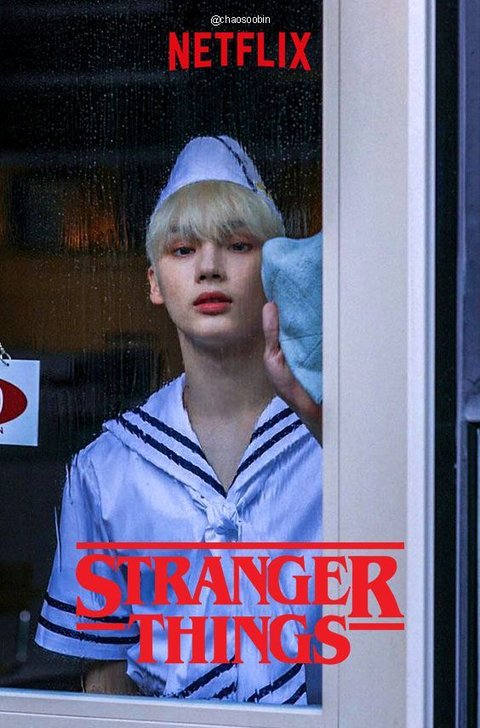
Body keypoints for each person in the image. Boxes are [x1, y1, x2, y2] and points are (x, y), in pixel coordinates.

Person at [35, 135, 323, 705]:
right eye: (183, 249)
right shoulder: (106, 468)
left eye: (238, 245)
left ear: (274, 269)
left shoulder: (333, 438)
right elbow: (104, 674)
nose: (210, 268)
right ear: (153, 282)